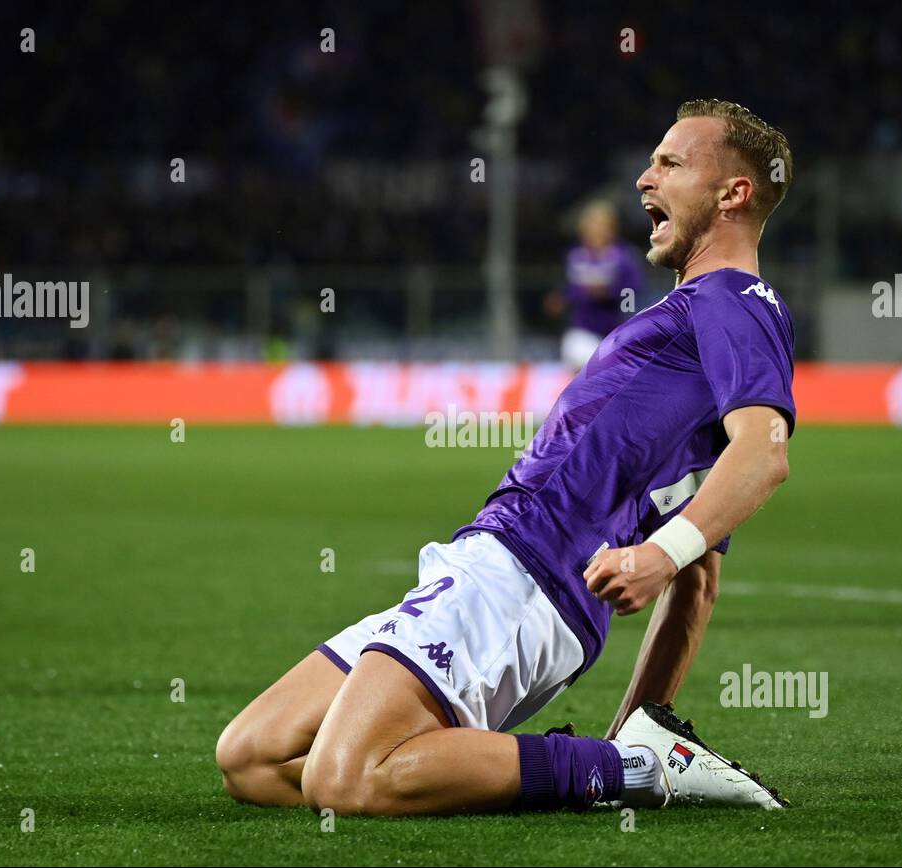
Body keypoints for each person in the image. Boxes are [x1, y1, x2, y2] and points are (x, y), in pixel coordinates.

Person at [217, 99, 796, 815]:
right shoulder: (694, 335)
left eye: (671, 163)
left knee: (344, 779)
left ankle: (632, 771)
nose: (645, 179)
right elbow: (701, 580)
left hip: (524, 580)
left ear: (734, 192)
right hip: (492, 565)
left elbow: (764, 455)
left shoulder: (733, 300)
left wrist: (660, 555)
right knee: (253, 758)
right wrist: (639, 724)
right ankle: (627, 764)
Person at [550, 201, 646, 371]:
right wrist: (563, 298)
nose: (596, 230)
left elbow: (633, 291)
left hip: (615, 332)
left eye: (602, 226)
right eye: (592, 226)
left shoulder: (624, 256)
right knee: (581, 374)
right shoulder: (575, 256)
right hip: (582, 329)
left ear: (613, 229)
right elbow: (566, 289)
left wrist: (609, 293)